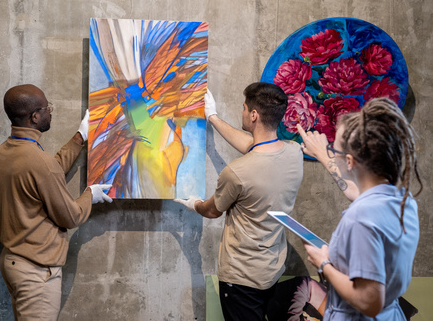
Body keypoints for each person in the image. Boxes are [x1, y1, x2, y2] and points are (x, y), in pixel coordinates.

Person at [176, 82, 304, 321]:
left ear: (253, 115)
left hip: (241, 278)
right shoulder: (294, 153)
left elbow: (212, 211)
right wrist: (212, 118)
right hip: (272, 271)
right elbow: (255, 146)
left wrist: (194, 204)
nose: (242, 112)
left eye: (245, 109)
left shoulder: (237, 172)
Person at [0, 84, 112, 320]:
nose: (51, 111)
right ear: (34, 116)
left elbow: (46, 171)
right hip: (35, 273)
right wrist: (91, 194)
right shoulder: (39, 162)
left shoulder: (3, 152)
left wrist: (79, 137)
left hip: (14, 263)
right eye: (47, 108)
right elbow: (71, 216)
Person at [296, 97, 422, 320]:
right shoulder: (402, 201)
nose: (331, 153)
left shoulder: (361, 216)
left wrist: (323, 263)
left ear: (350, 162)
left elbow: (369, 301)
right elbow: (357, 193)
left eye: (334, 150)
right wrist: (323, 156)